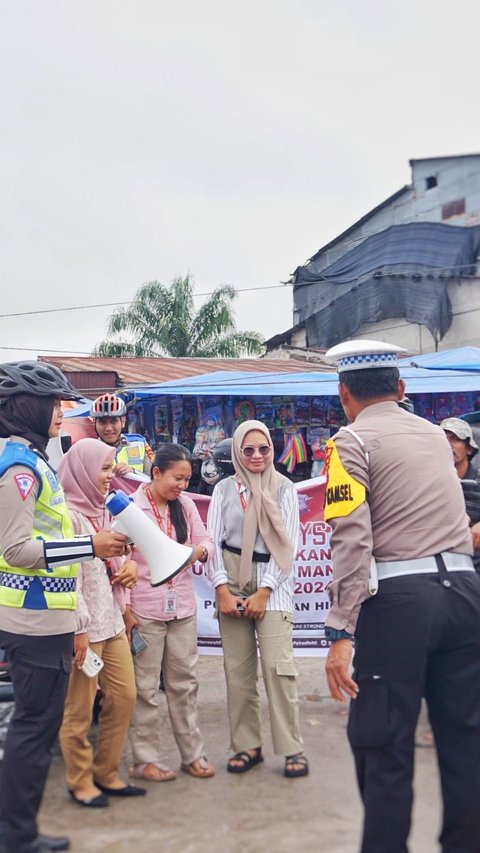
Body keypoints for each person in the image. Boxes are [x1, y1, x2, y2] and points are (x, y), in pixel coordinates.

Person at [322, 339, 480, 853]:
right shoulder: (438, 437)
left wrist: (340, 630)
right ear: (402, 389)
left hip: (399, 603)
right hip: (464, 594)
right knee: (466, 742)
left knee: (383, 744)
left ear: (343, 393)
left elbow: (351, 538)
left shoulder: (349, 442)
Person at [0, 361, 128, 853]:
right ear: (24, 407)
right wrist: (88, 546)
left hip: (46, 617)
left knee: (36, 728)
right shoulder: (20, 468)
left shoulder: (34, 459)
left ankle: (20, 830)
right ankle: (16, 835)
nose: (61, 412)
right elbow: (16, 549)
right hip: (30, 622)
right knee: (33, 732)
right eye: (51, 402)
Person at [206, 420, 308, 778]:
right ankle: (247, 746)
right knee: (238, 673)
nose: (256, 456)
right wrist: (220, 588)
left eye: (263, 449)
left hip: (274, 584)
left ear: (271, 449)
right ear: (237, 451)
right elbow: (212, 541)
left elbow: (288, 545)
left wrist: (265, 591)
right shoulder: (223, 490)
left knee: (279, 670)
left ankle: (292, 748)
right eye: (248, 450)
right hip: (231, 580)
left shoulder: (283, 488)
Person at [57, 438, 145, 807]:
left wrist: (129, 568)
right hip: (85, 628)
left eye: (112, 468)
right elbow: (66, 576)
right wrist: (78, 629)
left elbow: (124, 556)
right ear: (81, 469)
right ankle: (79, 781)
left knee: (125, 696)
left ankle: (106, 772)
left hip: (111, 623)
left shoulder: (104, 511)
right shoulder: (66, 515)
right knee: (79, 709)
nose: (110, 476)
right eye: (104, 468)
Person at [124, 444, 215, 782]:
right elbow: (119, 559)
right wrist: (125, 610)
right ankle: (145, 759)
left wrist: (198, 552)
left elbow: (206, 540)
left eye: (188, 480)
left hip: (182, 610)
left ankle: (192, 755)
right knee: (145, 688)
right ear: (156, 472)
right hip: (144, 609)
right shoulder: (132, 509)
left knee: (184, 684)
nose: (183, 486)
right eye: (178, 478)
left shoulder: (186, 505)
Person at [90, 393, 153, 478]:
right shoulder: (88, 452)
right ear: (94, 423)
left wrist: (133, 472)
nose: (108, 428)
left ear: (123, 422)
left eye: (113, 421)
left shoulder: (140, 443)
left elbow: (155, 479)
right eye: (102, 422)